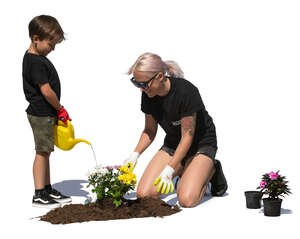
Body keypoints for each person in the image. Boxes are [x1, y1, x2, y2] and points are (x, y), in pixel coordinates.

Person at [123, 53, 227, 207]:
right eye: (137, 84)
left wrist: (170, 168)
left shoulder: (186, 92)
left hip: (200, 144)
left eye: (144, 84)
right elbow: (150, 131)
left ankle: (211, 168)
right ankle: (185, 168)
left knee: (186, 199)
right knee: (144, 195)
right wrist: (134, 155)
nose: (141, 89)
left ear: (159, 76)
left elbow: (187, 136)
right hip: (173, 143)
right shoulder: (148, 94)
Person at [23, 15, 72, 208]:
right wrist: (60, 108)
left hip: (46, 113)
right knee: (42, 152)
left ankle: (47, 188)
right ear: (36, 39)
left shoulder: (38, 58)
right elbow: (46, 90)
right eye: (51, 44)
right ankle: (38, 194)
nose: (53, 48)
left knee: (46, 151)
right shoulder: (34, 61)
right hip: (41, 112)